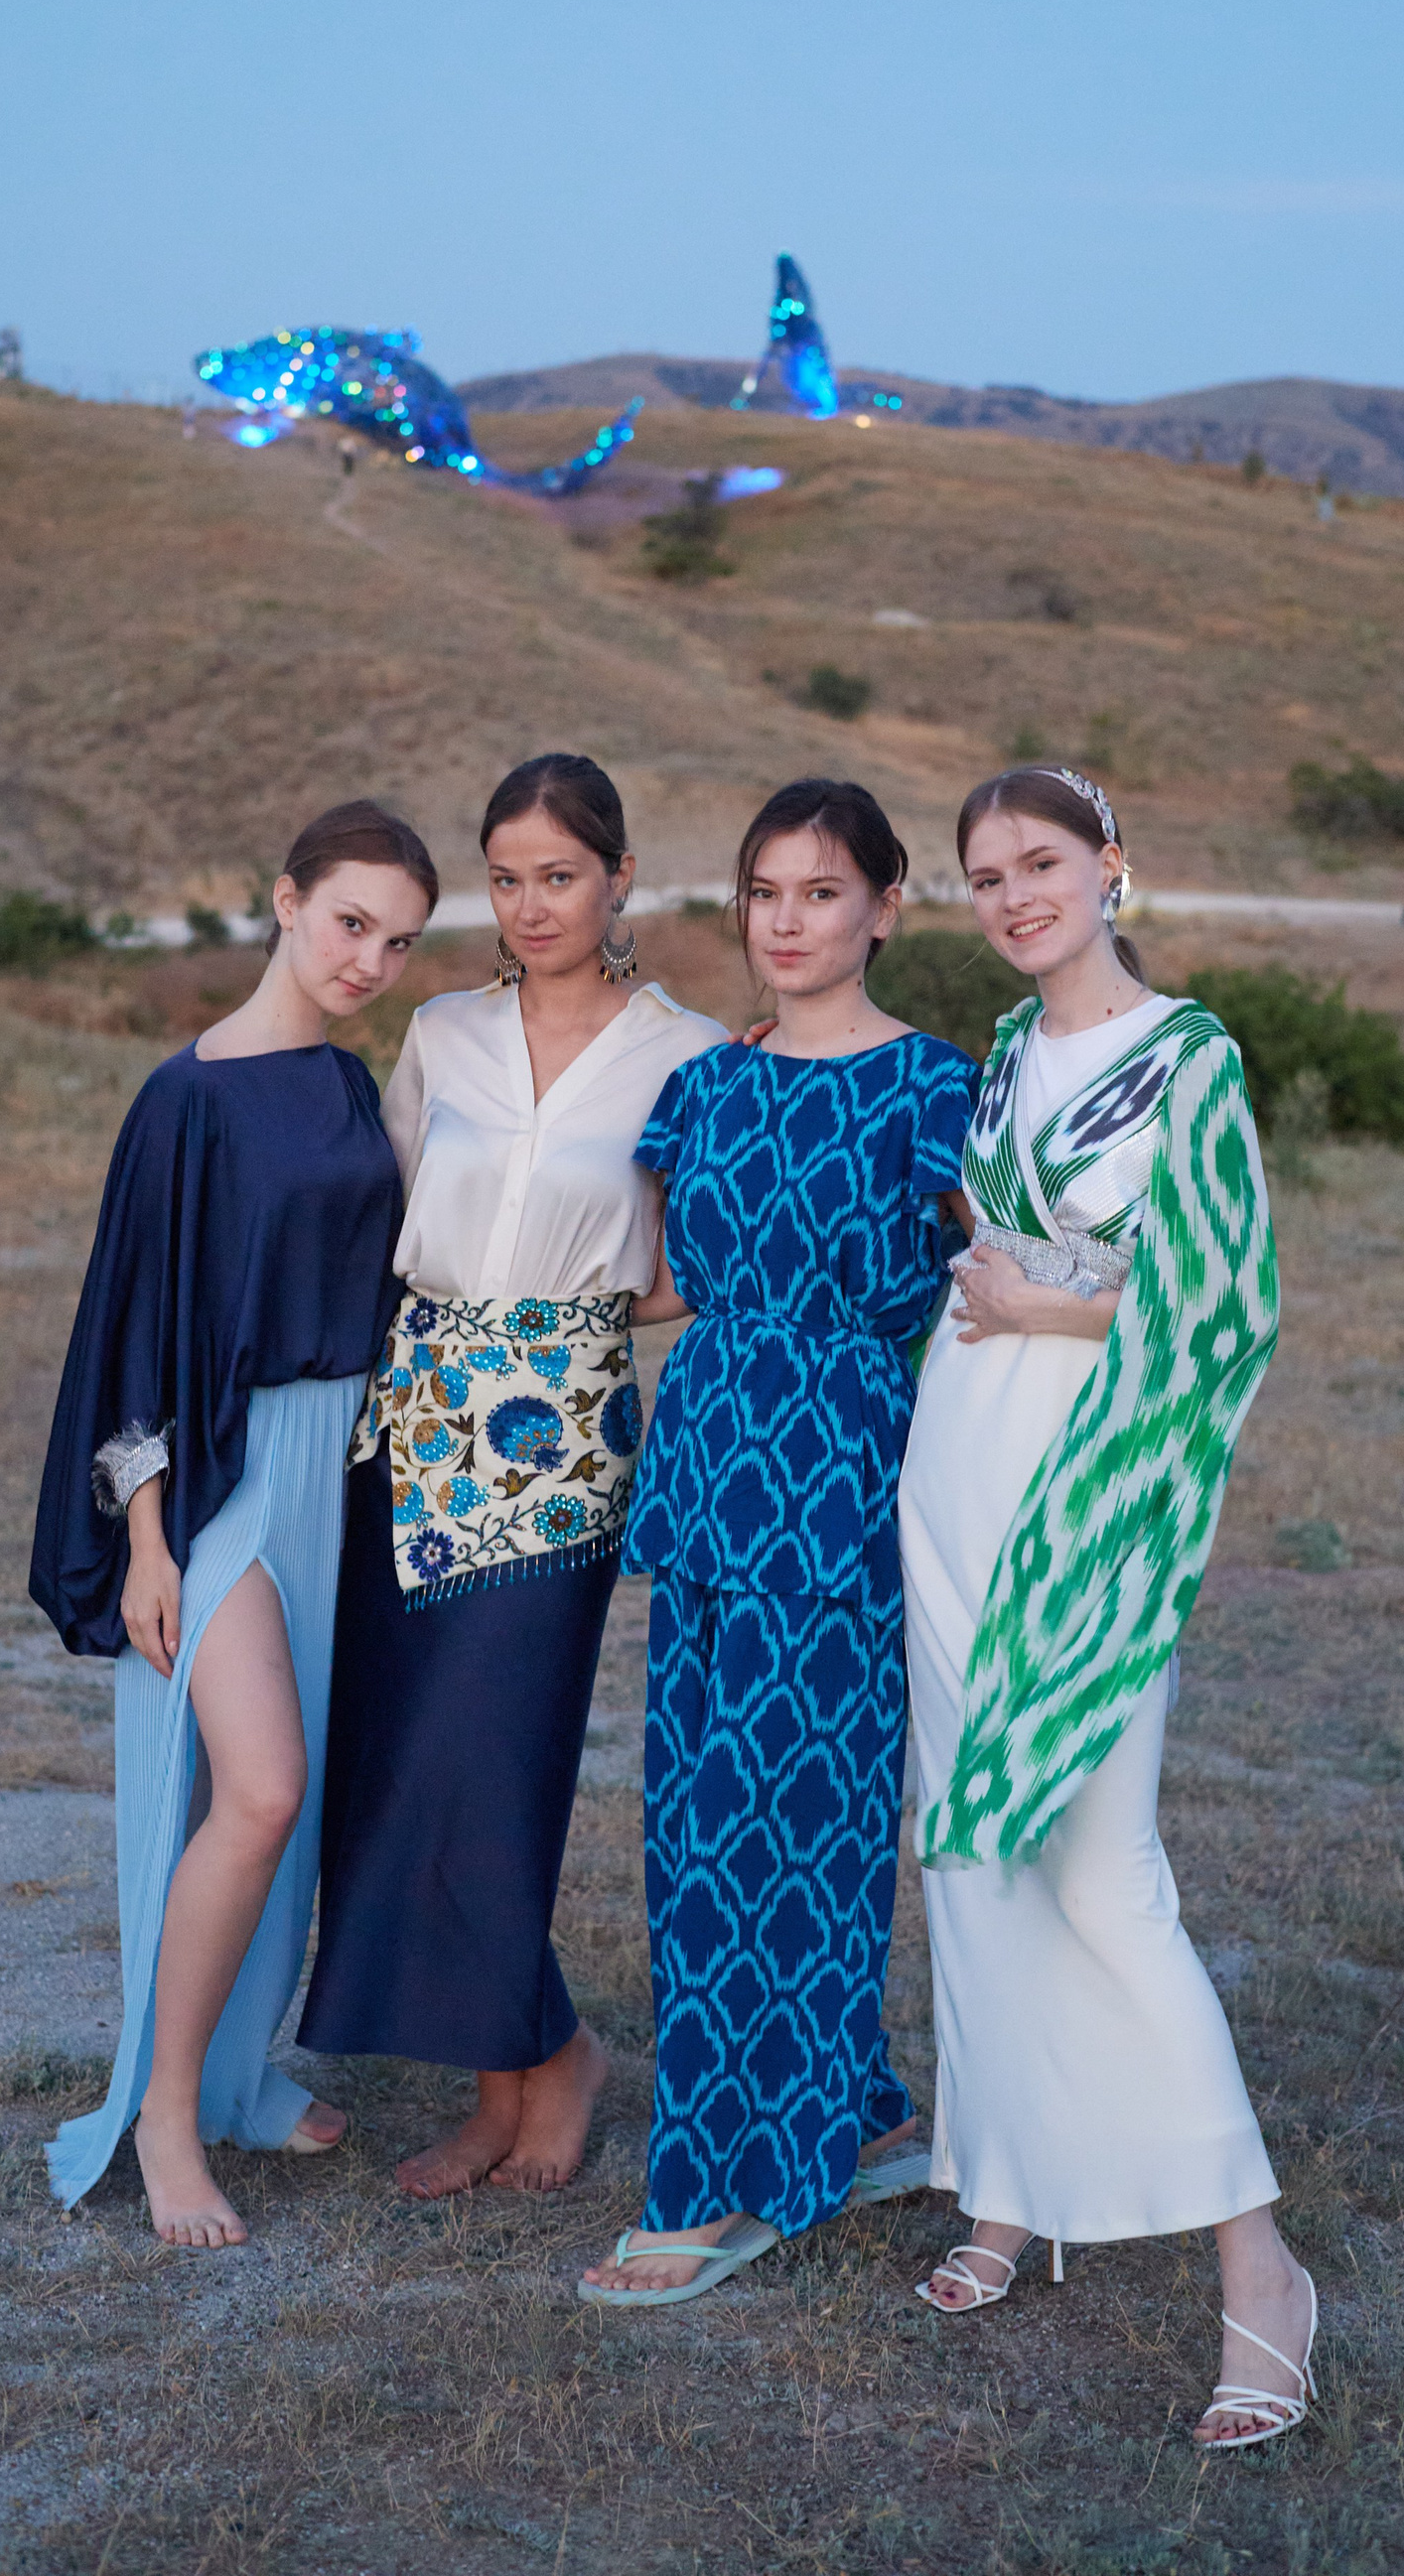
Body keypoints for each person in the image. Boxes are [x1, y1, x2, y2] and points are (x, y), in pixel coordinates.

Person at [901, 765, 1318, 2449]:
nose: (1014, 896)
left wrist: (1052, 1309)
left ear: (1110, 868)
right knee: (971, 1853)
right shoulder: (1006, 1053)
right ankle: (1008, 2190)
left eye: (1042, 863)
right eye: (987, 875)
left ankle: (1260, 2268)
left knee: (1103, 1872)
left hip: (1095, 1495)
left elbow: (1231, 1304)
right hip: (954, 1470)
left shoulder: (1189, 1058)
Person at [299, 754, 725, 2196]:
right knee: (407, 1761)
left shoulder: (689, 1053)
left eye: (560, 875)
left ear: (617, 879)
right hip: (415, 1433)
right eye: (506, 878)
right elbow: (379, 1227)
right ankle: (515, 2077)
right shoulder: (443, 1033)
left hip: (563, 1442)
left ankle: (552, 2056)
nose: (532, 905)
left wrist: (582, 1315)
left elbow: (707, 1254)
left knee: (496, 1764)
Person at [580, 778, 977, 2305]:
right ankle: (852, 2114)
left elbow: (1015, 1278)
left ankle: (725, 2181)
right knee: (696, 1824)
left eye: (823, 892)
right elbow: (669, 1285)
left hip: (842, 1482)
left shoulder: (939, 1090)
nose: (789, 922)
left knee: (799, 1826)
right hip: (707, 1475)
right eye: (765, 893)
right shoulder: (706, 1087)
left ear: (885, 908)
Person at [30, 799, 435, 2248]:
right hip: (224, 1477)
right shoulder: (185, 1099)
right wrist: (146, 1540)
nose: (369, 960)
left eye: (400, 941)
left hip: (339, 1467)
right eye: (351, 922)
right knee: (257, 1788)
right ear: (285, 900)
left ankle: (242, 2075)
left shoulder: (349, 1083)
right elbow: (129, 1333)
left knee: (292, 1801)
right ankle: (163, 2109)